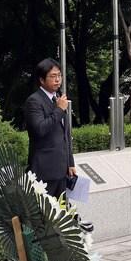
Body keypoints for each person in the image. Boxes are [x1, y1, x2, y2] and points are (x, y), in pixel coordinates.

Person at [24, 59, 90, 232]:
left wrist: (70, 163)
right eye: (53, 76)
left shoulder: (58, 100)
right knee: (44, 216)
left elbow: (65, 135)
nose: (57, 80)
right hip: (44, 169)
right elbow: (40, 129)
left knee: (62, 213)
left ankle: (63, 250)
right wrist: (59, 110)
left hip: (61, 169)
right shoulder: (34, 101)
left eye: (59, 76)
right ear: (41, 79)